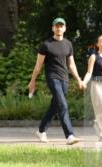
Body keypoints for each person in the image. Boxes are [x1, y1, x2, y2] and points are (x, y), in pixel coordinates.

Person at [28, 17, 85, 145]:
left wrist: (79, 80)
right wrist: (32, 81)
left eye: (61, 26)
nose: (59, 28)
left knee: (55, 106)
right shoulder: (46, 45)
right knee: (63, 105)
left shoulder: (68, 44)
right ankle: (69, 135)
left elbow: (71, 65)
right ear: (53, 28)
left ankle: (41, 131)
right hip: (52, 78)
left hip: (64, 79)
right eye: (56, 26)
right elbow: (38, 66)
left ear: (64, 28)